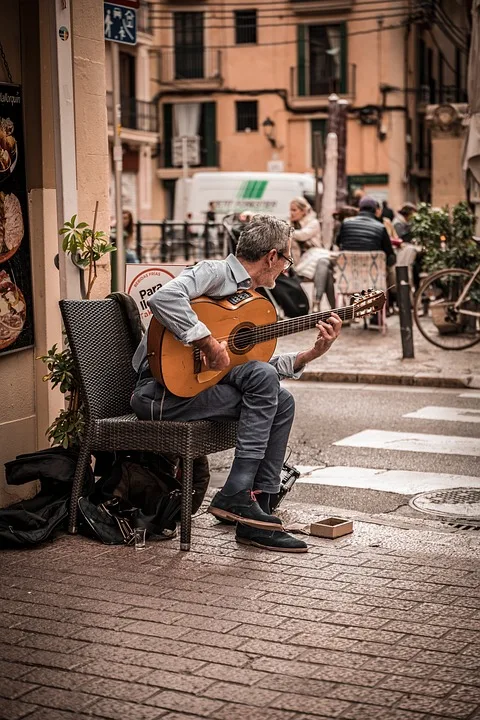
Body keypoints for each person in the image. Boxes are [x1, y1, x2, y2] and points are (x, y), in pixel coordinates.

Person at [131, 214, 342, 553]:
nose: (286, 269)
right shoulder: (214, 273)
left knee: (280, 397)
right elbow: (163, 298)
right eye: (286, 259)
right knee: (265, 380)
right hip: (159, 394)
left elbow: (248, 366)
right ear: (271, 257)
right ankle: (238, 494)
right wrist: (207, 343)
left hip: (197, 393)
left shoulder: (250, 301)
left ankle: (258, 508)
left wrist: (311, 354)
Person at [337, 195, 396, 288]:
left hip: (349, 275)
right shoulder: (380, 227)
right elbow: (389, 253)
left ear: (359, 209)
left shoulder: (346, 223)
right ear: (375, 210)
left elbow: (338, 243)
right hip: (374, 278)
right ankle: (394, 294)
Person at [289, 196, 335, 309]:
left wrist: (286, 230)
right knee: (326, 270)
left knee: (322, 261)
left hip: (314, 255)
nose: (291, 213)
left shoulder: (313, 223)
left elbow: (302, 235)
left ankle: (317, 302)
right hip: (299, 264)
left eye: (294, 210)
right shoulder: (289, 223)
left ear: (303, 211)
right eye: (290, 210)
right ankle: (330, 307)